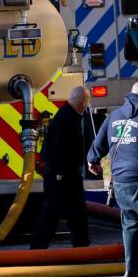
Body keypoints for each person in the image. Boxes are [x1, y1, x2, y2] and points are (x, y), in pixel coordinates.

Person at [87, 81, 138, 277]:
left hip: (121, 182)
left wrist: (93, 161)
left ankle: (132, 268)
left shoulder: (113, 117)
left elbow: (96, 148)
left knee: (131, 224)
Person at [30, 86, 91, 249]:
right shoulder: (68, 118)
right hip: (62, 174)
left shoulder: (66, 115)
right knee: (53, 211)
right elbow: (59, 147)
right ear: (83, 102)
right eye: (86, 102)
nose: (86, 106)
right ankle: (37, 249)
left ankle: (81, 244)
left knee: (74, 211)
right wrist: (60, 173)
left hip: (64, 172)